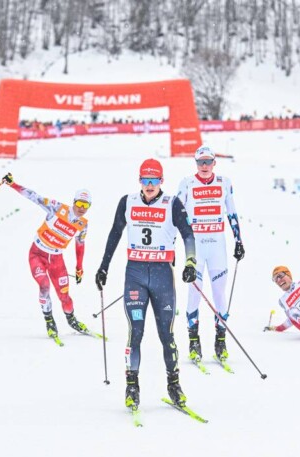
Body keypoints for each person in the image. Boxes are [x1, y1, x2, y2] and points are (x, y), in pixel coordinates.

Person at [95, 158, 197, 409]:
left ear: (161, 181)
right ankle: (132, 387)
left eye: (154, 180)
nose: (149, 185)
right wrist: (103, 267)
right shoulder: (127, 202)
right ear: (139, 180)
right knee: (135, 332)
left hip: (163, 275)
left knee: (166, 334)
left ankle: (174, 385)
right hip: (136, 275)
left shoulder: (172, 203)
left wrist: (190, 262)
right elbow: (114, 234)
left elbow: (188, 234)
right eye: (145, 180)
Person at [176, 145, 244, 364]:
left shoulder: (224, 183)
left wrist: (238, 240)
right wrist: (172, 246)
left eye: (208, 162)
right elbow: (176, 216)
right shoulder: (187, 183)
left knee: (219, 294)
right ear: (195, 163)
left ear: (215, 162)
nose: (204, 166)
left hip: (217, 246)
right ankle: (194, 341)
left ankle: (220, 340)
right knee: (194, 293)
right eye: (200, 162)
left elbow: (231, 212)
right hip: (195, 246)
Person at [2, 172, 92, 339]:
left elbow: (80, 245)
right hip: (37, 254)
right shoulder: (58, 208)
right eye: (79, 203)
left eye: (85, 206)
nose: (81, 208)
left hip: (57, 260)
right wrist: (13, 184)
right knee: (44, 285)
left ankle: (72, 319)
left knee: (64, 294)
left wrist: (79, 268)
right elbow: (35, 197)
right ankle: (49, 321)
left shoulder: (83, 225)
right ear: (74, 202)